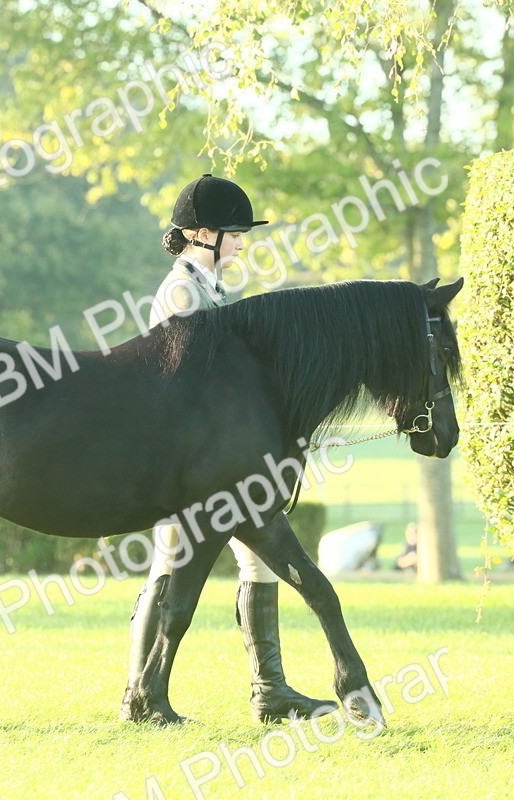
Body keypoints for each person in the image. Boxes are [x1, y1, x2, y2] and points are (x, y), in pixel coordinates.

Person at [122, 173, 334, 724]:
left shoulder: (213, 287)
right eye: (234, 233)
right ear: (201, 233)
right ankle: (138, 693)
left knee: (258, 560)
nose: (241, 243)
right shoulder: (181, 291)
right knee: (169, 562)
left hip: (217, 459)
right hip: (184, 459)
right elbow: (191, 380)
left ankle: (270, 689)